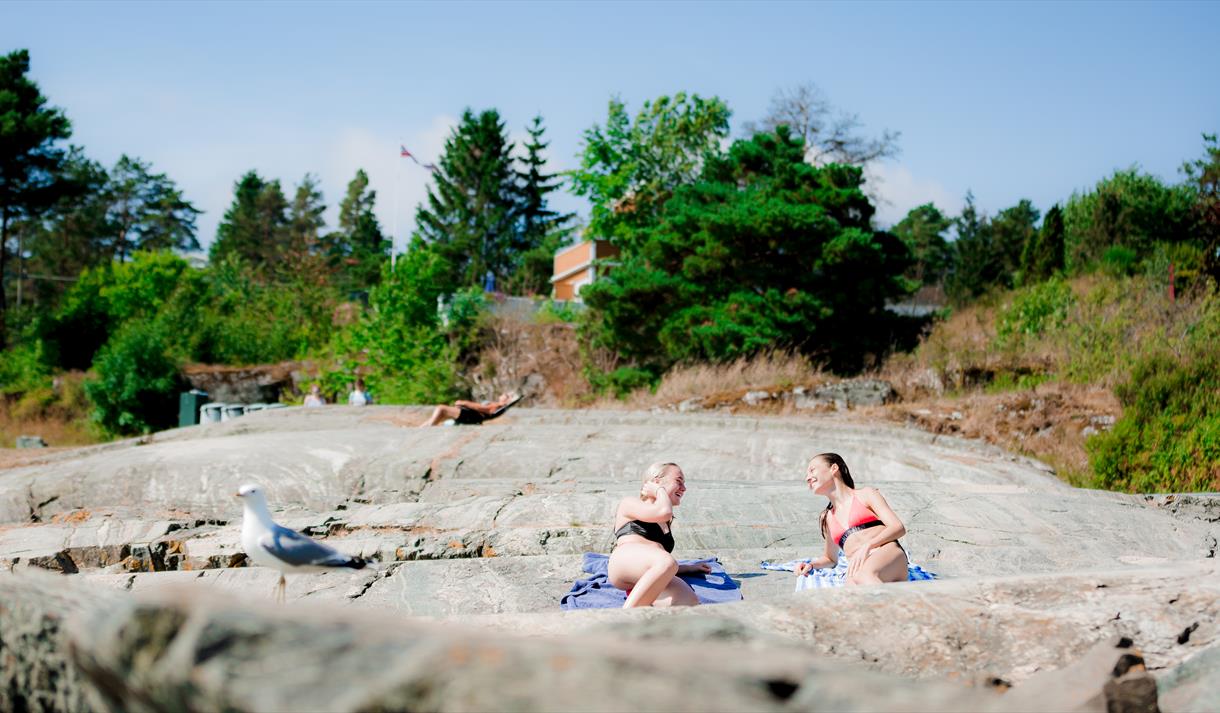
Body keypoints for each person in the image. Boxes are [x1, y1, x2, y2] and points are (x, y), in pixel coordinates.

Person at [607, 462, 711, 608]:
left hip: (648, 573)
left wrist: (689, 568)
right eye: (678, 481)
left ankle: (639, 600)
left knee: (688, 600)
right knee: (667, 562)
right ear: (656, 481)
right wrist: (659, 490)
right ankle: (626, 615)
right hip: (624, 562)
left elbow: (660, 565)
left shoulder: (666, 522)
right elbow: (664, 512)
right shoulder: (629, 503)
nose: (684, 488)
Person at [795, 453, 909, 585]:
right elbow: (830, 558)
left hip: (887, 553)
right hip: (859, 567)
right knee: (851, 587)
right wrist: (811, 565)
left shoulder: (865, 494)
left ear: (834, 468)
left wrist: (868, 546)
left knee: (863, 576)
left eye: (812, 470)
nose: (807, 478)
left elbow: (897, 527)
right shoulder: (827, 518)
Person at [420, 392, 516, 427]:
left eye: (505, 395)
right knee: (441, 415)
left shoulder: (498, 405)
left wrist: (464, 403)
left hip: (472, 416)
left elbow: (482, 408)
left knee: (441, 408)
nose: (502, 394)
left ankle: (429, 428)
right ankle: (422, 429)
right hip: (473, 415)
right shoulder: (498, 405)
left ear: (507, 400)